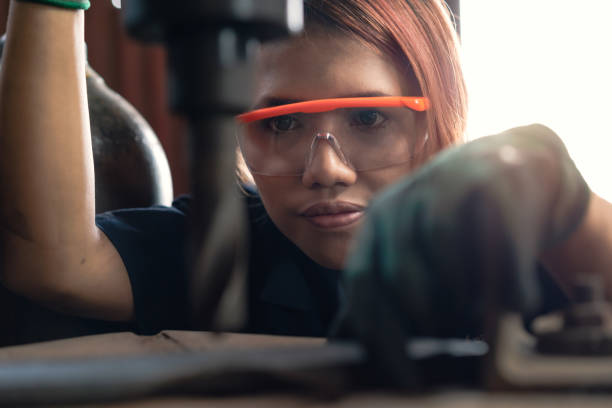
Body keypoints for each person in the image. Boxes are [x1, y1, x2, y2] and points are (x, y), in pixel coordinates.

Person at [1, 0, 611, 346]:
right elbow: (56, 263)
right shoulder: (234, 244)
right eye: (282, 125)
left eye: (369, 118)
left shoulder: (516, 232)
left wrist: (571, 208)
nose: (326, 170)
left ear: (440, 113)